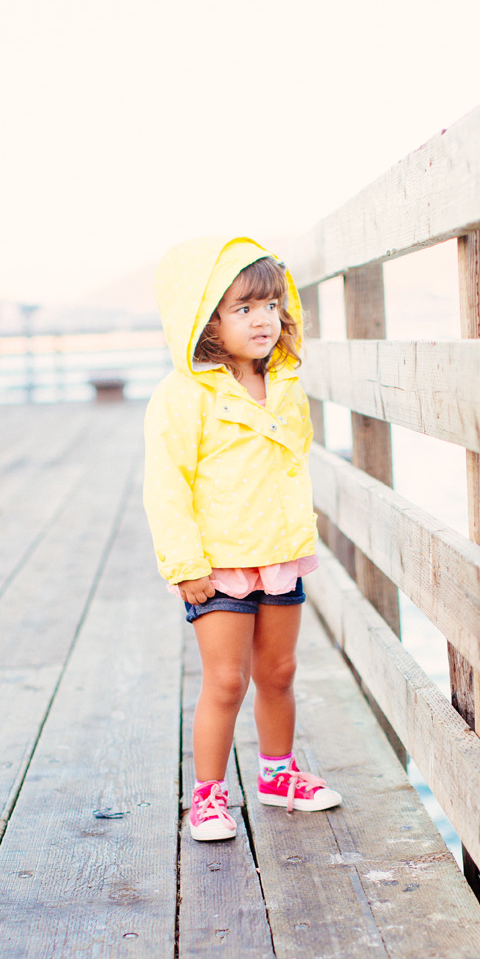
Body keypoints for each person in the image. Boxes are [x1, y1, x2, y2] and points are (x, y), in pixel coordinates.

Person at [144, 234, 342, 842]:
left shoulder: (283, 385)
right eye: (244, 309)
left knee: (278, 671)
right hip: (220, 564)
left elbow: (292, 458)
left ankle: (277, 775)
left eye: (272, 305)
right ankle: (207, 795)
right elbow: (167, 485)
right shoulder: (185, 397)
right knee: (225, 680)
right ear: (207, 322)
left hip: (278, 555)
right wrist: (185, 565)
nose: (264, 319)